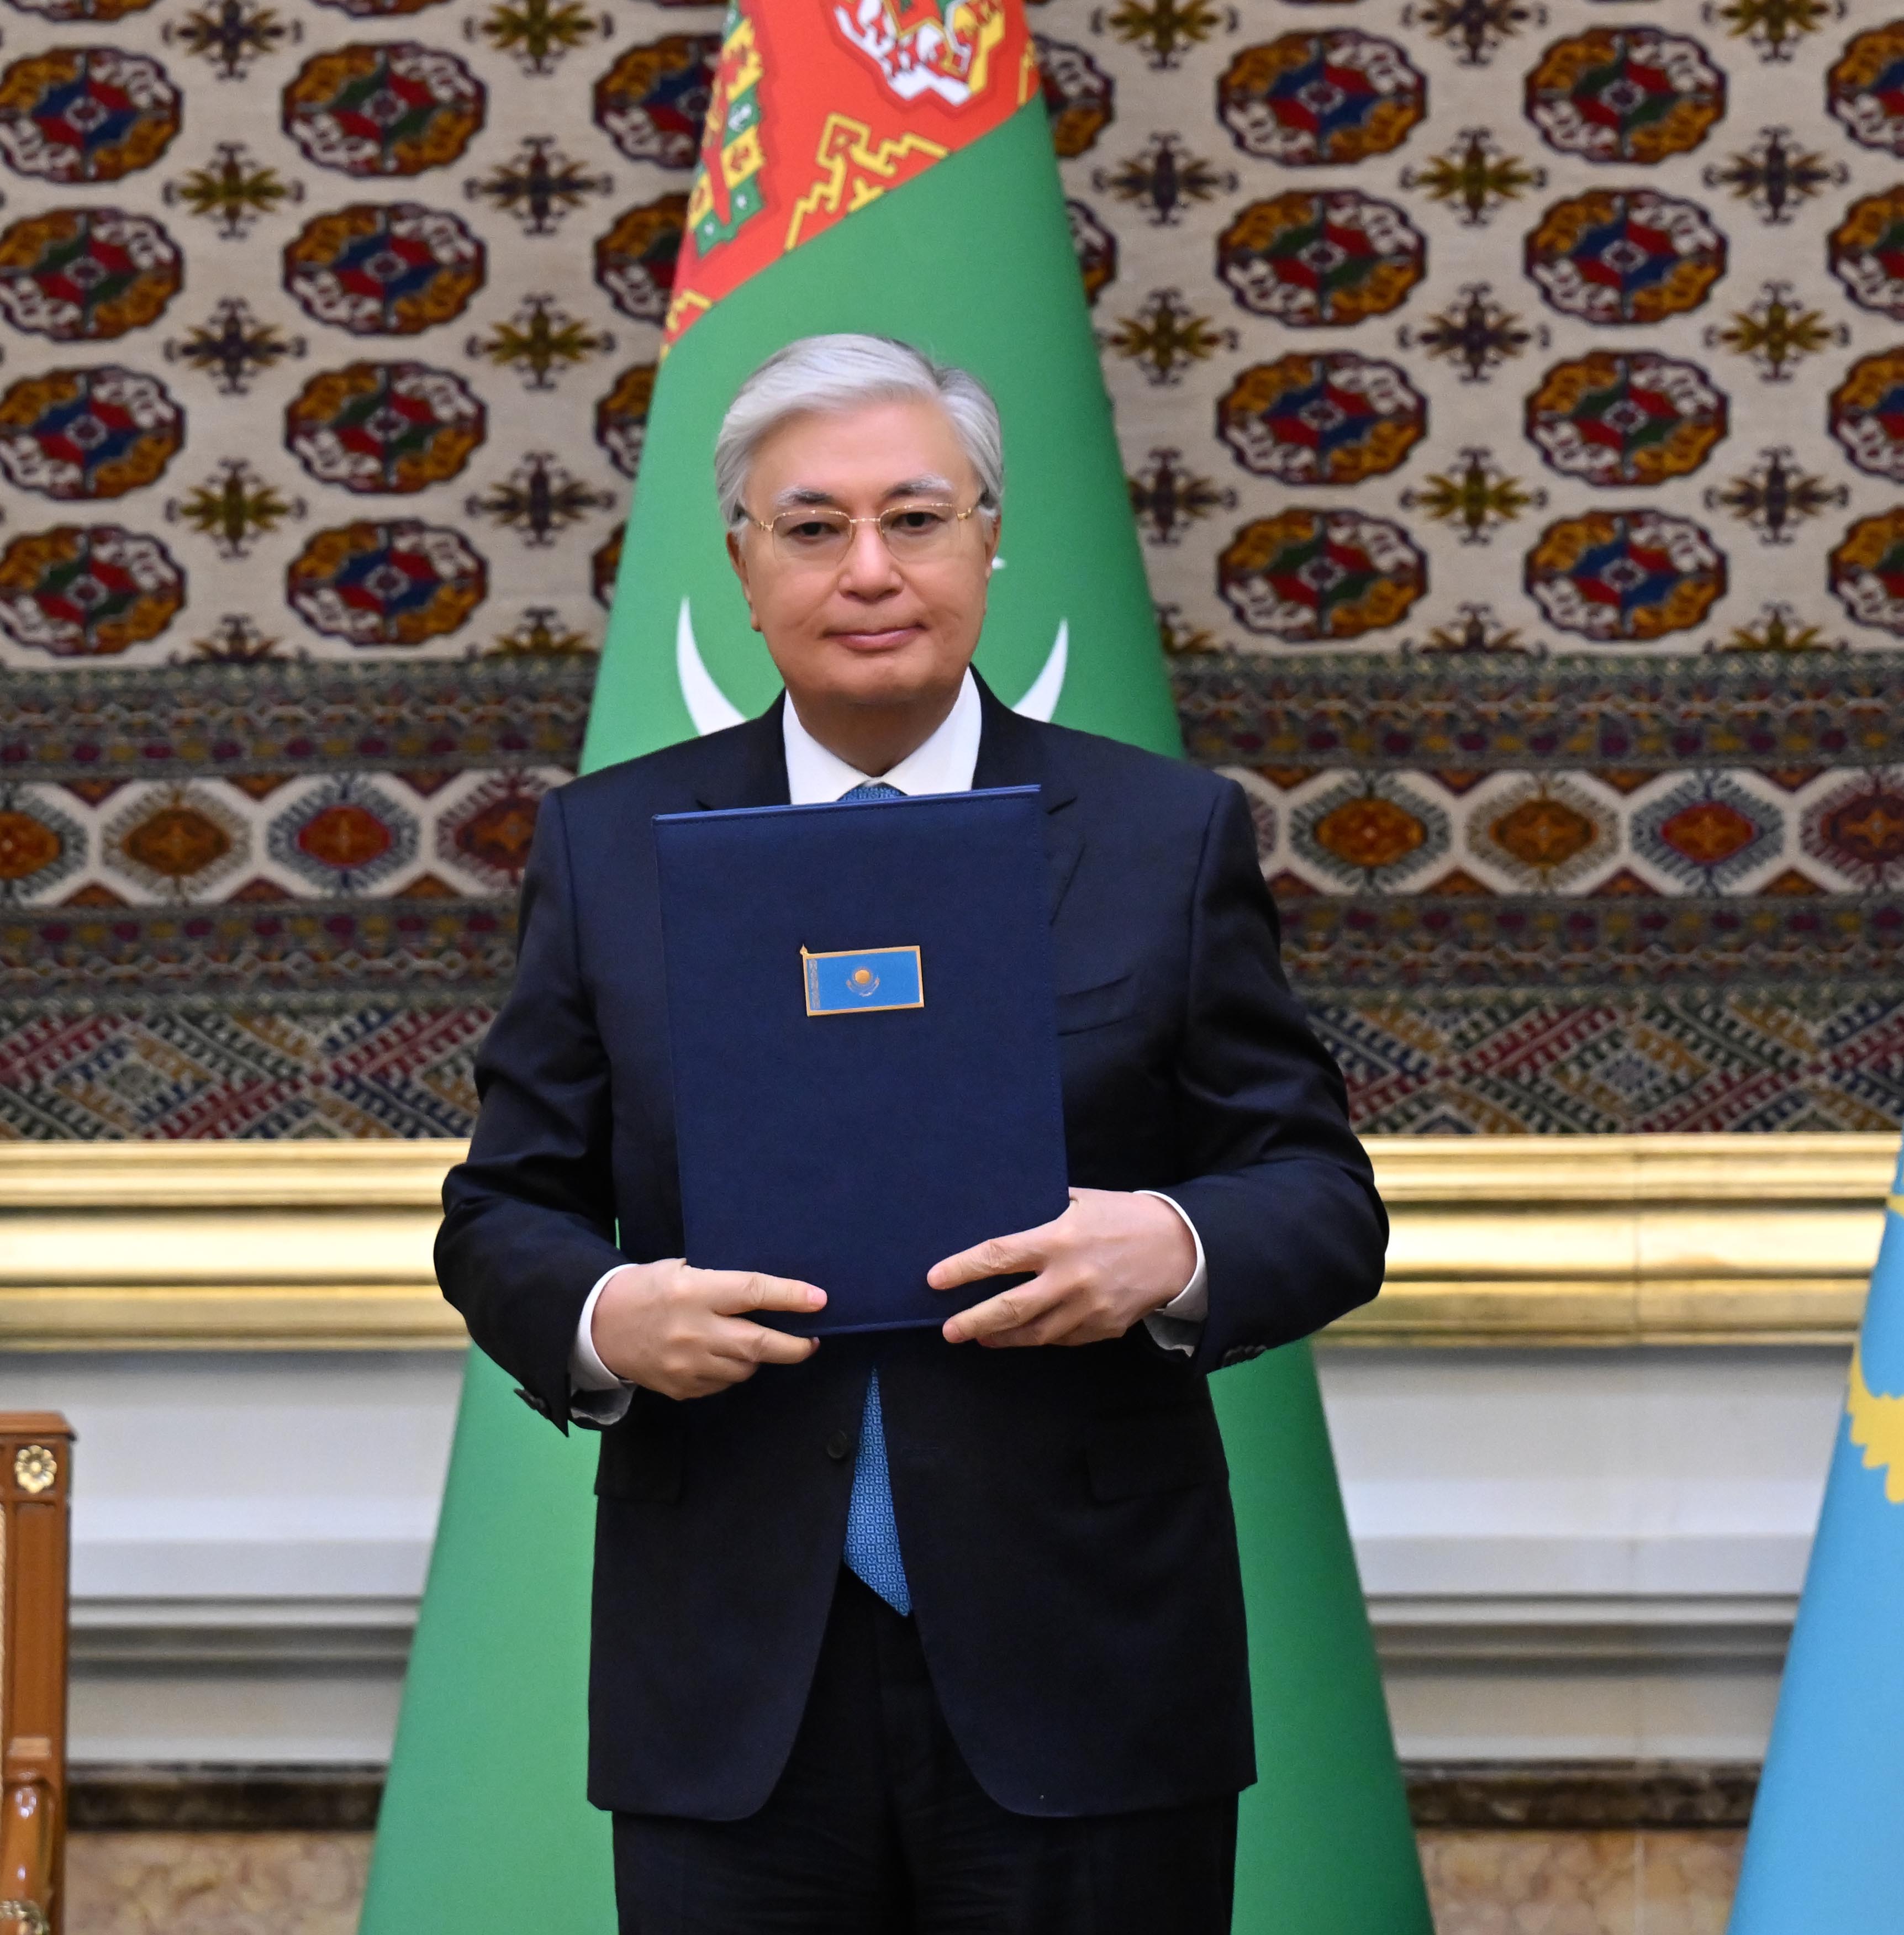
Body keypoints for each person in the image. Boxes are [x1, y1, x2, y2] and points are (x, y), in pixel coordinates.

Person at [436, 334, 1385, 1933]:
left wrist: (1172, 1247)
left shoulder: (1162, 834)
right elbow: (502, 1211)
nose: (869, 570)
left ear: (990, 543)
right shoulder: (612, 846)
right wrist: (606, 1316)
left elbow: (1322, 1199)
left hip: (1088, 1666)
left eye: (918, 519)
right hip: (730, 1674)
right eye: (812, 527)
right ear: (742, 565)